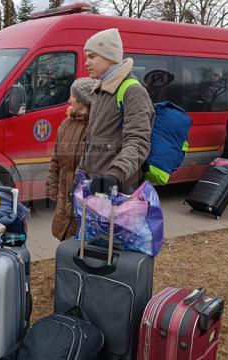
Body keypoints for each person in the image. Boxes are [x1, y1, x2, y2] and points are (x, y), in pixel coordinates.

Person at [76, 28, 154, 196]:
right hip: (96, 183)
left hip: (120, 187)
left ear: (110, 58)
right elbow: (91, 141)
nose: (86, 63)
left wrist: (115, 175)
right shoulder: (100, 89)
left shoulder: (132, 90)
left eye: (92, 56)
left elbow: (138, 141)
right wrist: (79, 176)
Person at [46, 77, 95, 241]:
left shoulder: (97, 127)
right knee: (65, 246)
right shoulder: (66, 124)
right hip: (64, 199)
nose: (69, 99)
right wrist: (52, 185)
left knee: (81, 248)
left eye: (72, 95)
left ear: (83, 100)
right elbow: (55, 160)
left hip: (86, 203)